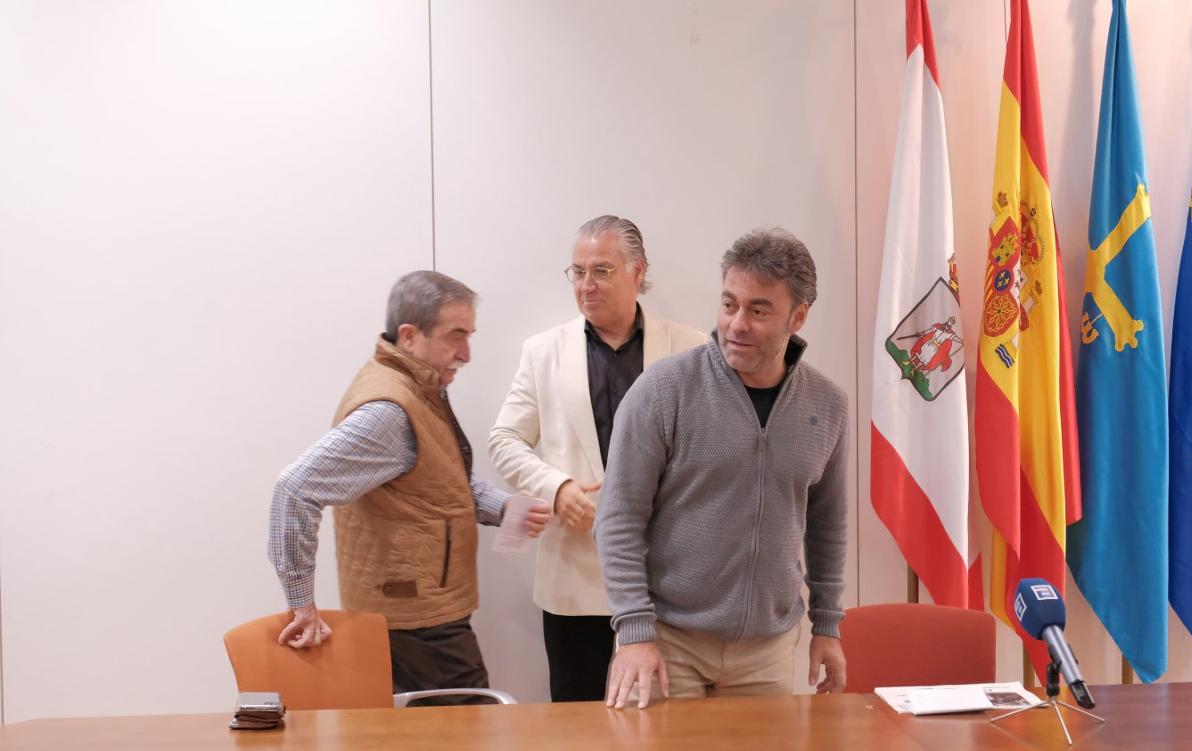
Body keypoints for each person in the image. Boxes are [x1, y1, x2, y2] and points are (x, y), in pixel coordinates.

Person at [267, 270, 551, 701]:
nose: (467, 353)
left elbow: (432, 480)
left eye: (470, 335)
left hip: (424, 616)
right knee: (457, 748)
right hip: (417, 627)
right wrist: (301, 603)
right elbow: (295, 489)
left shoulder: (413, 389)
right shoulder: (390, 410)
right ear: (409, 336)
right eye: (456, 335)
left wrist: (503, 506)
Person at [595, 228, 849, 708]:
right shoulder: (663, 390)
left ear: (798, 316)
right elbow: (618, 518)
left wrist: (827, 626)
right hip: (666, 646)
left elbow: (827, 526)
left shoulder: (828, 406)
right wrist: (634, 633)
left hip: (768, 654)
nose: (737, 324)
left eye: (758, 310)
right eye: (729, 304)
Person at [489, 215, 706, 702]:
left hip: (668, 584)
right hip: (574, 583)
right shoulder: (542, 351)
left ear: (637, 271)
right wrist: (557, 488)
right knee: (576, 737)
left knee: (661, 731)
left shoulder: (691, 349)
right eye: (577, 271)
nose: (586, 285)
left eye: (602, 270)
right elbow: (504, 439)